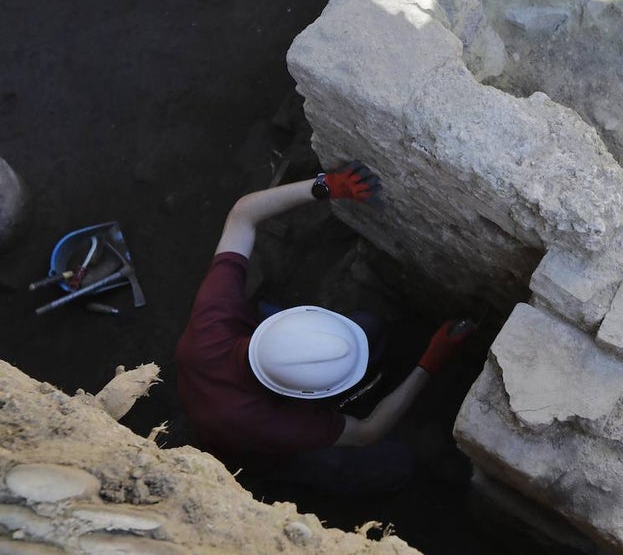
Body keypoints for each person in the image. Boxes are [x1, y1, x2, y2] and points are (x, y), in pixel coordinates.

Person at [175, 162, 472, 495]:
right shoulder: (275, 426)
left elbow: (242, 214)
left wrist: (324, 186)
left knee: (368, 328)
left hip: (220, 390)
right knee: (394, 462)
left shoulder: (213, 321)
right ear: (304, 398)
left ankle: (360, 374)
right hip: (255, 449)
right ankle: (291, 480)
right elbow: (367, 432)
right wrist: (429, 364)